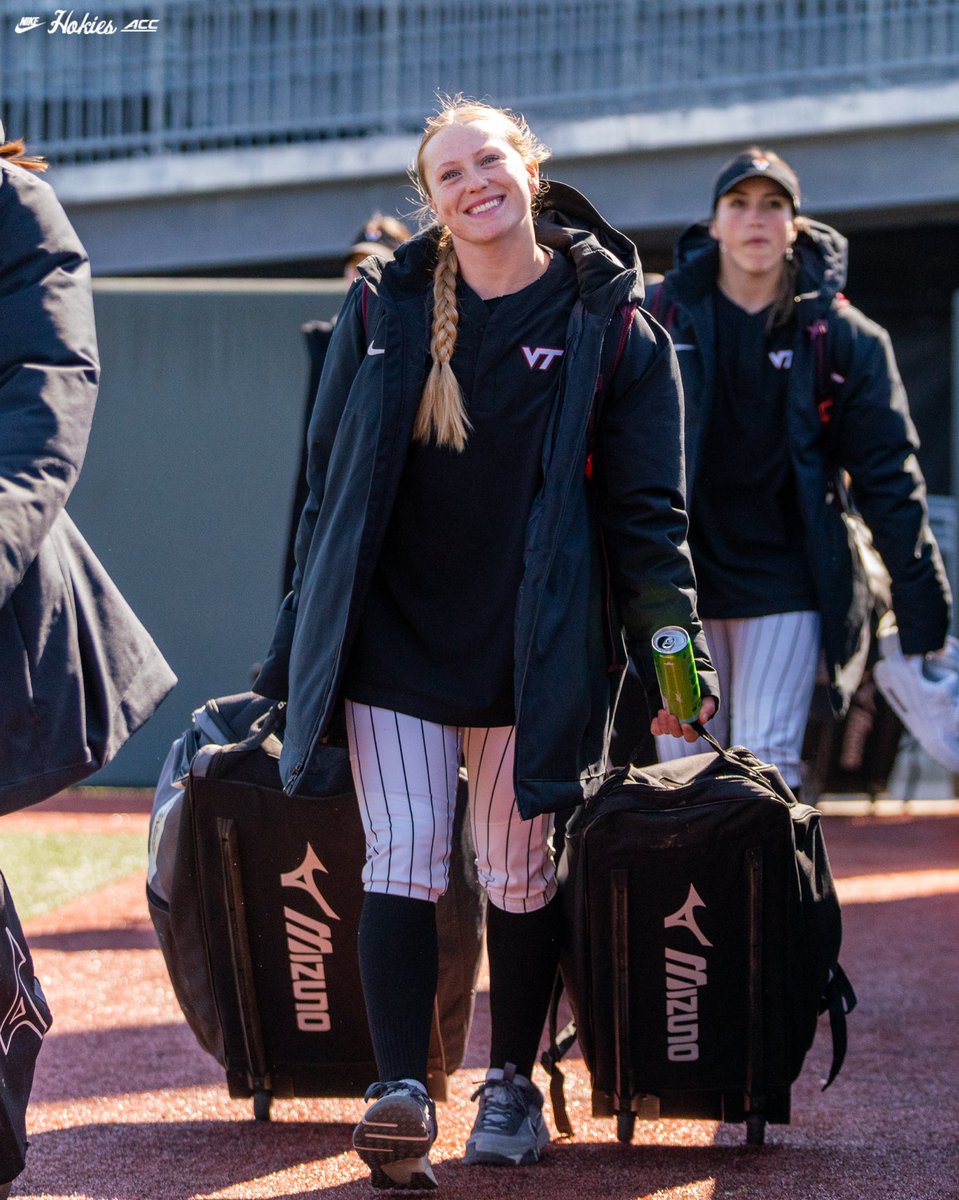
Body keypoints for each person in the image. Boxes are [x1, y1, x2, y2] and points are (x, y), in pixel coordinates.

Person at [254, 96, 717, 1190]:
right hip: (393, 647)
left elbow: (651, 518)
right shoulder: (386, 306)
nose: (472, 184)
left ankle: (509, 1082)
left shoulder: (615, 324)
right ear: (433, 199)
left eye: (488, 160)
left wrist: (673, 669)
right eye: (448, 173)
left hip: (533, 649)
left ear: (529, 169)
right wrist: (292, 656)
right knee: (407, 856)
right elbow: (323, 501)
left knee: (515, 871)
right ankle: (400, 1090)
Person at [648, 147, 950, 794]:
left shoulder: (844, 337)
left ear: (794, 225)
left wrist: (922, 610)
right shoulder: (656, 318)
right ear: (712, 226)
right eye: (739, 204)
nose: (755, 219)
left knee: (766, 764)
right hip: (675, 584)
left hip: (784, 580)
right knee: (680, 773)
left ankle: (764, 900)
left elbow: (888, 479)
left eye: (773, 205)